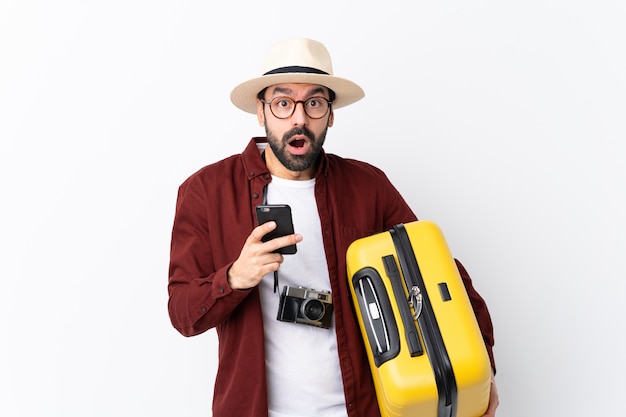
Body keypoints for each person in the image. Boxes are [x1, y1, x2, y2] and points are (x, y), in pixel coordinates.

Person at [167, 38, 499, 417]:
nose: (299, 119)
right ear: (260, 112)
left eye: (314, 103)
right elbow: (182, 312)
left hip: (360, 409)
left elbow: (443, 275)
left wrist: (483, 372)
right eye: (282, 102)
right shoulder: (205, 192)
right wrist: (234, 276)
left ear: (331, 113)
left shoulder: (366, 185)